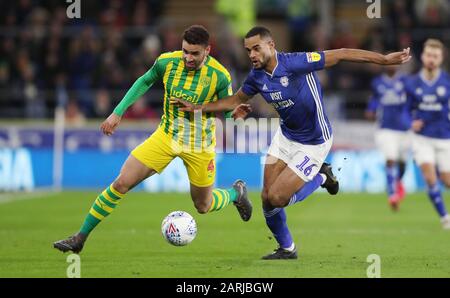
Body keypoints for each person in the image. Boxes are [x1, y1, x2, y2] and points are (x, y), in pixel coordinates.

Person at [172, 26, 412, 259]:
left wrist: (383, 60)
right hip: (285, 137)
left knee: (278, 198)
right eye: (248, 51)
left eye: (256, 48)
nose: (252, 55)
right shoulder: (256, 77)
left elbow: (341, 54)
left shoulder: (297, 62)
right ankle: (287, 248)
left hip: (314, 142)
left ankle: (322, 176)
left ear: (271, 45)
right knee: (266, 197)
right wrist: (198, 108)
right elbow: (235, 99)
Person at [53, 25, 253, 254]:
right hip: (166, 137)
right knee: (121, 183)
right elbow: (144, 81)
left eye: (194, 53)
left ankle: (236, 193)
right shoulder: (167, 62)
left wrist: (234, 115)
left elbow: (227, 108)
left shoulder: (219, 75)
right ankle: (80, 237)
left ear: (207, 50)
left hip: (200, 145)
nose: (188, 57)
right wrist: (118, 112)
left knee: (203, 206)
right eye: (185, 51)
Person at [404, 39, 450, 229]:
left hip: (444, 136)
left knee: (447, 180)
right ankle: (445, 218)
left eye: (435, 56)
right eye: (429, 55)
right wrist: (410, 122)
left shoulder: (447, 82)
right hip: (422, 138)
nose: (431, 59)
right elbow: (403, 110)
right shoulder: (412, 83)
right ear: (423, 56)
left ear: (441, 59)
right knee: (430, 177)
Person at [365, 65, 411, 210]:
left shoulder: (405, 81)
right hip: (385, 128)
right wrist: (371, 110)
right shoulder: (377, 82)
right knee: (390, 160)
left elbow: (413, 99)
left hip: (404, 128)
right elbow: (374, 99)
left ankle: (396, 183)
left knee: (403, 163)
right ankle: (392, 196)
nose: (392, 65)